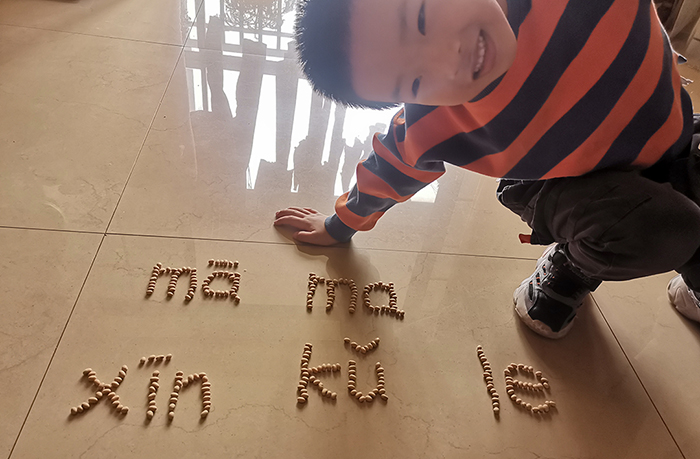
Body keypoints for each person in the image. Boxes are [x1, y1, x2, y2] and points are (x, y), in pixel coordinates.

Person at [273, 0, 700, 338]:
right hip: (561, 185)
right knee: (669, 230)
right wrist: (339, 225)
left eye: (421, 19)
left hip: (675, 136)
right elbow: (389, 170)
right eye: (418, 81)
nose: (449, 59)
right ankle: (572, 268)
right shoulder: (432, 122)